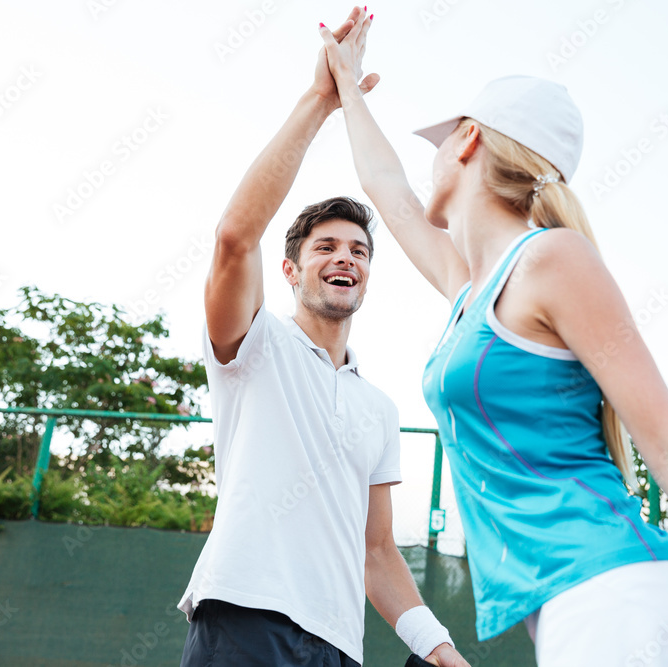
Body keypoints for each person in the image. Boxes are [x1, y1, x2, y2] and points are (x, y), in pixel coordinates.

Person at [319, 13, 668, 667]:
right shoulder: (470, 292)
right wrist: (346, 88)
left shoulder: (552, 260)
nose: (430, 159)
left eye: (440, 140)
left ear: (469, 140)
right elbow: (387, 191)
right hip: (579, 619)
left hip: (624, 603)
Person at [176, 8, 470, 667]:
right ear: (290, 268)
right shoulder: (255, 347)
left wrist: (440, 646)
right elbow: (234, 237)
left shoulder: (380, 409)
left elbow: (378, 553)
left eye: (360, 249)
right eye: (327, 246)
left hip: (340, 646)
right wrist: (321, 99)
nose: (346, 257)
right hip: (242, 622)